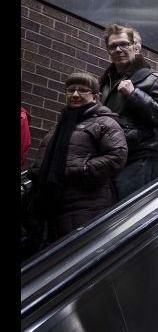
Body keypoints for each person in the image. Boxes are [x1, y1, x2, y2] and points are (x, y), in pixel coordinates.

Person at [28, 72, 127, 244]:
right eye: (70, 90)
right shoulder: (61, 124)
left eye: (82, 90)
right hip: (53, 200)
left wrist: (81, 170)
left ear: (95, 97)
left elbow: (117, 156)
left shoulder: (105, 122)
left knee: (75, 251)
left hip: (87, 202)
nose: (75, 94)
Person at [98, 24, 158, 201]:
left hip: (137, 157)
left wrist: (134, 94)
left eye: (124, 44)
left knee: (126, 213)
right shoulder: (106, 82)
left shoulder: (151, 78)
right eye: (113, 46)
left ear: (135, 47)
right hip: (109, 155)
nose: (118, 49)